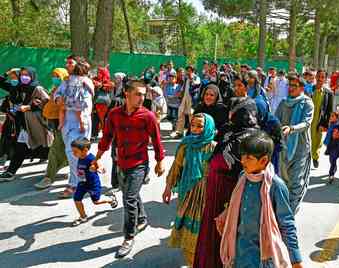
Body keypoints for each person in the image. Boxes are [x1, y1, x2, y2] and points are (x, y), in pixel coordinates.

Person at [94, 79, 166, 258]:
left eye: (144, 94)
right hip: (121, 162)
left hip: (139, 164)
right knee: (130, 194)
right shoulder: (115, 114)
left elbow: (157, 140)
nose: (142, 98)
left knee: (129, 199)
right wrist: (97, 157)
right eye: (138, 94)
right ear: (127, 94)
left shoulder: (147, 116)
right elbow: (107, 137)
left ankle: (129, 237)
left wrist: (160, 161)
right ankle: (142, 219)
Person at [216, 131, 304, 268]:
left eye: (249, 158)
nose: (243, 161)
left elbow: (287, 224)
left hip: (263, 257)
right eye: (243, 156)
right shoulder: (242, 177)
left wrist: (295, 260)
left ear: (263, 160)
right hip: (240, 252)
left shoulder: (276, 186)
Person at [193, 97, 260, 268]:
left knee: (226, 233)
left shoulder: (251, 138)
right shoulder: (229, 130)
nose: (230, 114)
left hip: (231, 193)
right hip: (214, 190)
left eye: (235, 111)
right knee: (211, 232)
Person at [163, 113, 216, 265]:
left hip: (206, 194)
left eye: (200, 126)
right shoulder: (186, 145)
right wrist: (168, 188)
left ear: (208, 127)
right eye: (193, 125)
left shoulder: (213, 147)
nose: (195, 129)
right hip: (187, 193)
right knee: (186, 230)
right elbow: (176, 167)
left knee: (202, 233)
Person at [0, 67, 52, 182]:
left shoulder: (37, 88)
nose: (24, 77)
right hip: (24, 124)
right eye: (22, 74)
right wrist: (7, 73)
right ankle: (11, 171)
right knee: (21, 147)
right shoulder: (19, 87)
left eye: (26, 74)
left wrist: (30, 107)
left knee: (46, 146)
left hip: (35, 123)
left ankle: (61, 163)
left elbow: (47, 101)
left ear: (32, 76)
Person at [55, 57, 94, 198]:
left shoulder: (85, 82)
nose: (67, 65)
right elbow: (58, 94)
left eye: (70, 63)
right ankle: (86, 179)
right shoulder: (67, 81)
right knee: (73, 153)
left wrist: (65, 104)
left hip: (80, 122)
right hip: (66, 122)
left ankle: (75, 184)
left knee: (73, 152)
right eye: (66, 62)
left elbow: (81, 104)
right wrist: (59, 98)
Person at [275, 75, 314, 214]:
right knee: (284, 180)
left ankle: (290, 213)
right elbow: (276, 120)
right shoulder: (284, 103)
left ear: (302, 88)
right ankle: (284, 208)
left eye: (294, 86)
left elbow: (306, 123)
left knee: (296, 181)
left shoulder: (307, 103)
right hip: (284, 147)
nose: (290, 88)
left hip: (300, 148)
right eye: (289, 85)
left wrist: (292, 128)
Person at [34, 68, 70, 189]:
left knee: (55, 149)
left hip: (64, 124)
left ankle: (49, 177)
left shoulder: (66, 90)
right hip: (55, 123)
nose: (54, 78)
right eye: (53, 76)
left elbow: (63, 108)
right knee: (64, 149)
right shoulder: (56, 89)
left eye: (57, 76)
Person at [71, 137, 118, 226]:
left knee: (96, 201)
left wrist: (99, 168)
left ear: (85, 150)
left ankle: (111, 199)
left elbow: (99, 165)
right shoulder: (81, 156)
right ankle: (83, 216)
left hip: (92, 184)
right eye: (73, 151)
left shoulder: (91, 158)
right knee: (77, 198)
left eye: (75, 151)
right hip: (82, 183)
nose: (73, 154)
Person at [310, 69, 333, 168]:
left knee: (317, 140)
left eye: (322, 77)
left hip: (319, 121)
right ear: (315, 77)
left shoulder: (328, 93)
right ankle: (306, 157)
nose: (320, 79)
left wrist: (325, 125)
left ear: (325, 79)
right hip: (308, 119)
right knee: (307, 139)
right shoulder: (310, 89)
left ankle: (315, 156)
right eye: (318, 76)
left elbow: (329, 110)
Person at [324, 111, 339, 184]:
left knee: (336, 160)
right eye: (330, 116)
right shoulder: (331, 124)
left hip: (338, 146)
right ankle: (332, 172)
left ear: (337, 118)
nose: (330, 118)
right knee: (332, 160)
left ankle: (332, 174)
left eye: (332, 116)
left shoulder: (338, 126)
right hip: (331, 146)